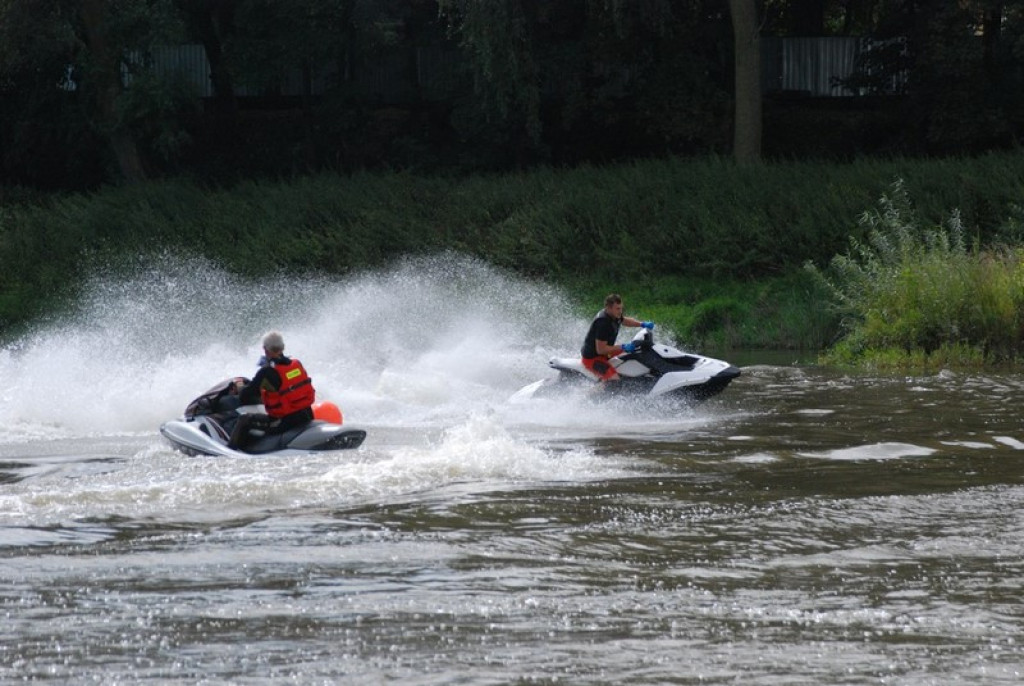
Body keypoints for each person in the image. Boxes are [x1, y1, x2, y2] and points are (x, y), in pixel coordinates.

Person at [228, 330, 316, 450]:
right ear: (283, 347)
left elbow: (246, 395)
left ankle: (230, 452)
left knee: (244, 419)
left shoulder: (267, 372)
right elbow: (286, 388)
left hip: (284, 423)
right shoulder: (296, 364)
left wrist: (239, 387)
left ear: (265, 350)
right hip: (307, 416)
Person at [580, 293, 653, 383]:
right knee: (614, 380)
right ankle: (587, 397)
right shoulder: (603, 323)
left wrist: (642, 324)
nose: (620, 311)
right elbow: (601, 350)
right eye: (618, 309)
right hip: (592, 358)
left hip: (604, 355)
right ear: (608, 308)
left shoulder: (614, 315)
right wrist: (622, 346)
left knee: (632, 352)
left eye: (621, 308)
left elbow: (625, 320)